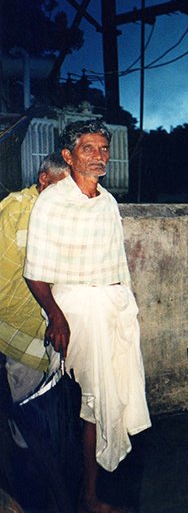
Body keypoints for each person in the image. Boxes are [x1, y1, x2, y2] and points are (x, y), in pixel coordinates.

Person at [24, 119, 151, 513]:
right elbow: (35, 273)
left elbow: (116, 265)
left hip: (112, 311)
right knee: (88, 407)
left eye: (103, 149)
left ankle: (94, 495)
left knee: (109, 404)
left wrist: (125, 306)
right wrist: (57, 318)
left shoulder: (108, 201)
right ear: (68, 155)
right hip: (78, 314)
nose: (99, 157)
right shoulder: (53, 201)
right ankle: (87, 498)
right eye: (88, 149)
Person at [1, 152, 69, 404]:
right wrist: (53, 313)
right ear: (44, 180)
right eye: (63, 190)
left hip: (45, 322)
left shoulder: (50, 213)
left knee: (47, 403)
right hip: (19, 323)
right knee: (29, 403)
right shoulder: (20, 209)